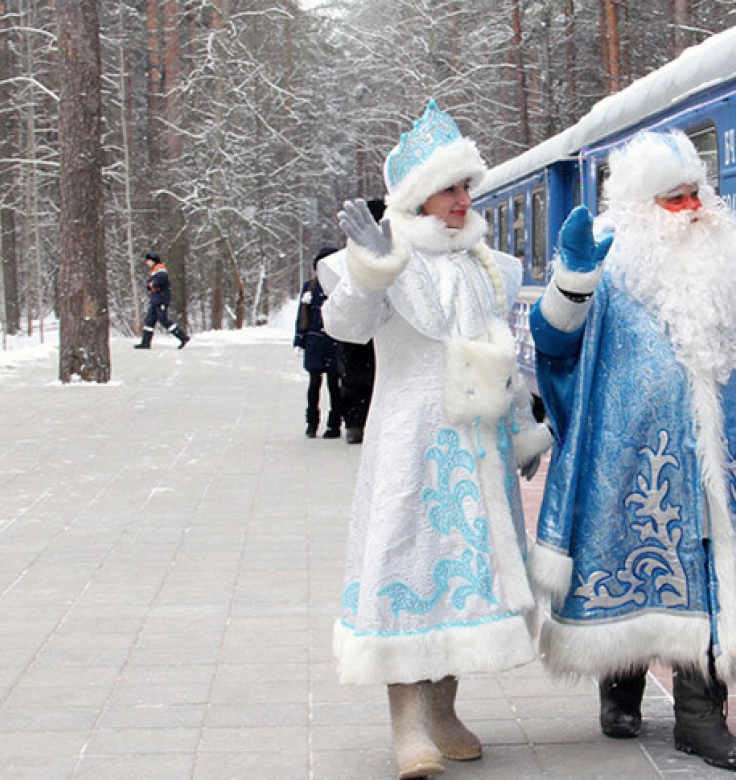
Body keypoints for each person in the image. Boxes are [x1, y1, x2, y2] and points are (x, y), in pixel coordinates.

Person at [527, 130, 736, 771]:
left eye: (696, 193)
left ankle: (701, 717)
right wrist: (571, 281)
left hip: (713, 459)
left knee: (706, 571)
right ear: (641, 207)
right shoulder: (607, 263)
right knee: (631, 566)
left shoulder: (720, 261)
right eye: (676, 198)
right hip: (627, 458)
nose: (694, 207)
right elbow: (554, 345)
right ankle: (620, 684)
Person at [318, 99, 551, 780]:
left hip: (477, 451)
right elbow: (346, 327)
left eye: (466, 186)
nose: (463, 199)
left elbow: (500, 353)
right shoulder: (385, 257)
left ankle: (444, 710)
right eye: (450, 188)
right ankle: (409, 725)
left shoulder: (489, 265)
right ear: (418, 195)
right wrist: (369, 266)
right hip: (409, 445)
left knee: (467, 581)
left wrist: (522, 431)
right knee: (408, 568)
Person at [332, 199, 384, 445]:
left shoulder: (347, 259)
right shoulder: (347, 262)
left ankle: (355, 423)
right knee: (363, 377)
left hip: (359, 342)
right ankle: (356, 423)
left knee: (356, 378)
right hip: (365, 337)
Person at [295, 247, 344, 439]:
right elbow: (302, 315)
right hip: (315, 342)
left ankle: (334, 424)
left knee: (334, 385)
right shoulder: (310, 287)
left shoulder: (339, 287)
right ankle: (311, 423)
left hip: (334, 342)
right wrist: (300, 339)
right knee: (314, 384)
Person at [134, 252, 190, 349]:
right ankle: (145, 342)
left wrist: (152, 285)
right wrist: (151, 285)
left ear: (153, 260)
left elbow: (158, 281)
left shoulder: (160, 269)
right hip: (155, 299)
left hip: (161, 299)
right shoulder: (155, 270)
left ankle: (182, 337)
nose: (147, 263)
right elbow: (149, 284)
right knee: (149, 321)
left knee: (163, 320)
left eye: (148, 260)